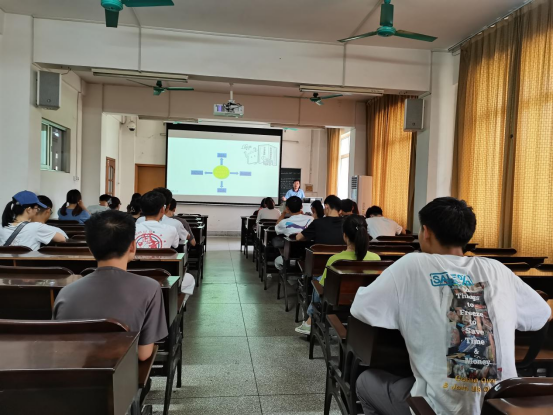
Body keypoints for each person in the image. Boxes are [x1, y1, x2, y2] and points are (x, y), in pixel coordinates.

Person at [351, 197, 552, 415]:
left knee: (364, 382)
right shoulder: (497, 269)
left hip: (437, 409)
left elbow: (361, 307)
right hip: (500, 406)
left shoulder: (412, 265)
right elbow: (542, 313)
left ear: (426, 232)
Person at [53, 210, 168, 361]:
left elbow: (59, 348)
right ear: (133, 246)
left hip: (75, 369)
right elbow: (143, 354)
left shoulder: (65, 292)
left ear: (90, 249)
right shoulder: (150, 288)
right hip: (122, 372)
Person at [295, 215, 380, 335]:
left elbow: (323, 286)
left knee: (318, 281)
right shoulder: (376, 258)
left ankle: (310, 321)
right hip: (365, 305)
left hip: (338, 306)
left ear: (344, 236)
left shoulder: (335, 260)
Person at [0, 191, 67, 250]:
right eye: (36, 208)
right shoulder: (36, 227)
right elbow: (62, 239)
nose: (37, 211)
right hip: (27, 261)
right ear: (28, 209)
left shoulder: (2, 226)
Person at [273, 196, 313, 270]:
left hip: (290, 258)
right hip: (309, 258)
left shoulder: (284, 222)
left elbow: (277, 227)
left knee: (277, 261)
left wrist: (283, 213)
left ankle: (288, 275)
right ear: (301, 207)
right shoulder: (311, 219)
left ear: (287, 208)